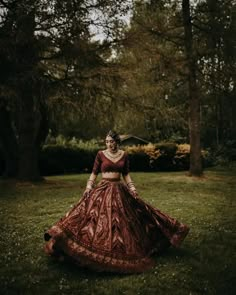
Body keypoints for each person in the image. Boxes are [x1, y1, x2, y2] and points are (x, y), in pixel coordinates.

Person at [44, 130, 189, 273]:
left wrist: (132, 189)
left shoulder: (124, 155)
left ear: (117, 142)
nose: (109, 144)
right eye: (106, 142)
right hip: (103, 188)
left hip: (119, 190)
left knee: (129, 218)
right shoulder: (101, 154)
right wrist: (88, 187)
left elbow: (126, 174)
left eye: (111, 141)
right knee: (92, 217)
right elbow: (94, 173)